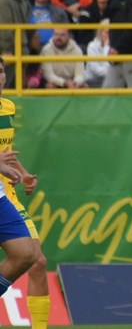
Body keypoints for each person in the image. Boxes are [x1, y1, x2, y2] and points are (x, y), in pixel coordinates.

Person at [0, 56, 49, 329]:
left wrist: (23, 171)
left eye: (1, 71)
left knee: (36, 260)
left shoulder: (7, 107)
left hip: (5, 192)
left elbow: (5, 153)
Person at [85, 23, 111, 87]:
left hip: (109, 79)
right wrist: (106, 47)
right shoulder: (92, 46)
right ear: (100, 33)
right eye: (107, 32)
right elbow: (96, 71)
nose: (110, 35)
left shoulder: (115, 48)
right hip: (92, 80)